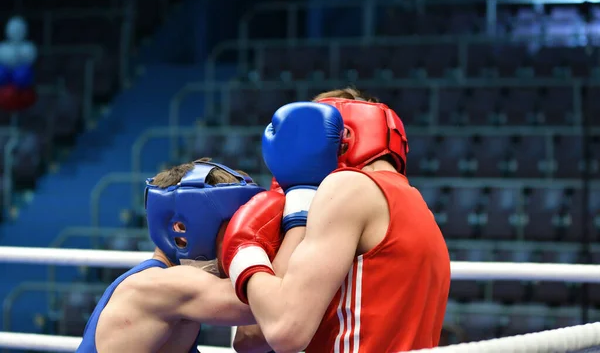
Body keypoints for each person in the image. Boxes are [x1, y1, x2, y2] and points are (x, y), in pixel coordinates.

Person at [224, 88, 451, 353]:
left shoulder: (347, 189)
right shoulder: (418, 205)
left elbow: (275, 332)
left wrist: (244, 253)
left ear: (342, 138)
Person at [77, 158, 273, 353]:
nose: (242, 239)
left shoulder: (175, 289)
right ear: (182, 230)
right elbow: (270, 302)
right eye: (232, 227)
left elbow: (250, 338)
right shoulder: (160, 285)